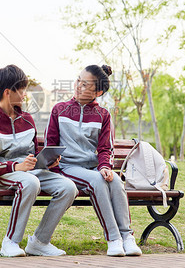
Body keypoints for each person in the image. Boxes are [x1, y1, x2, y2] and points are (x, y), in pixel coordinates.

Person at [45, 64, 142, 256]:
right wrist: (54, 169)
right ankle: (113, 238)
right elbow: (50, 145)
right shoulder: (59, 110)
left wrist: (105, 166)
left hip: (92, 168)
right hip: (67, 167)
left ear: (97, 91)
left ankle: (127, 237)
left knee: (114, 180)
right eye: (78, 80)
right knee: (98, 180)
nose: (78, 86)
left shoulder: (103, 115)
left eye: (85, 84)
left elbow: (105, 148)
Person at [0, 64, 78, 257]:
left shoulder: (28, 120)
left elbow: (34, 153)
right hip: (7, 173)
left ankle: (39, 242)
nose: (25, 94)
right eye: (22, 90)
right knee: (30, 182)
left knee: (69, 188)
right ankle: (10, 242)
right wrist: (17, 166)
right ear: (8, 92)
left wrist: (47, 161)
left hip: (32, 172)